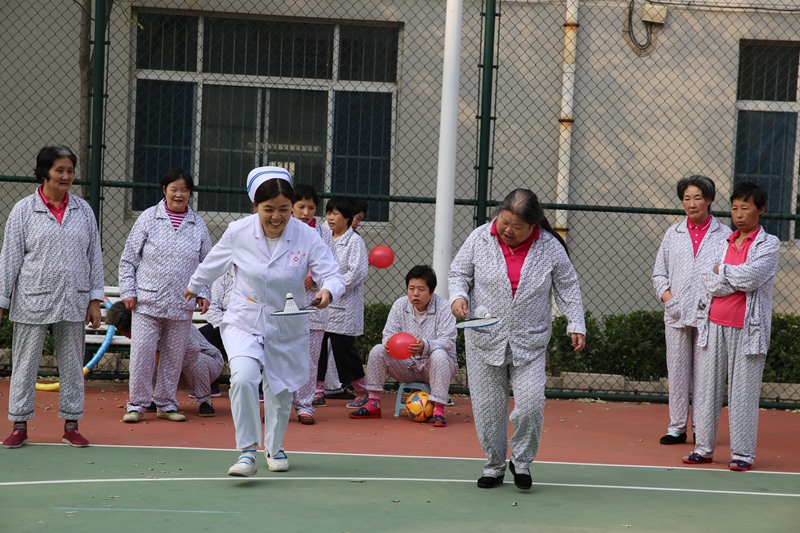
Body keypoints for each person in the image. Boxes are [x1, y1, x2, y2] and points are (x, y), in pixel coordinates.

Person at [184, 166, 344, 477]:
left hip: (287, 322)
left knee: (280, 390)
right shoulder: (238, 232)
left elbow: (332, 274)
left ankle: (275, 446)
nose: (277, 216)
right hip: (244, 318)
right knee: (243, 378)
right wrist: (193, 286)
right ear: (255, 205)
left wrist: (328, 290)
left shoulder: (307, 235)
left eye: (284, 208)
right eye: (268, 209)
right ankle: (246, 451)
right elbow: (213, 263)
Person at [449, 188, 586, 490]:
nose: (507, 230)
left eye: (517, 226)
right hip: (484, 338)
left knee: (531, 404)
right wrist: (458, 297)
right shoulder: (480, 237)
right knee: (488, 409)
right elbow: (459, 273)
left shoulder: (549, 247)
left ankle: (521, 461)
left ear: (533, 226)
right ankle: (494, 465)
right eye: (504, 222)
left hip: (530, 342)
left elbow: (567, 286)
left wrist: (576, 323)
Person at [0, 145, 104, 448]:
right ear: (44, 172)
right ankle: (19, 424)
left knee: (72, 364)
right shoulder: (23, 210)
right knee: (25, 363)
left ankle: (71, 424)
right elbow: (9, 258)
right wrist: (1, 300)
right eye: (60, 170)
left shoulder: (83, 211)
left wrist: (94, 300)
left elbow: (94, 257)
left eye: (70, 170)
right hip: (32, 299)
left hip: (73, 298)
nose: (67, 176)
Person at [683, 181, 779, 472]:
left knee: (743, 394)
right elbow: (707, 280)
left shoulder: (769, 244)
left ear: (760, 210)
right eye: (735, 208)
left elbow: (752, 278)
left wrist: (722, 271)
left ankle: (743, 454)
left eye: (745, 208)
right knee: (707, 390)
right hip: (713, 324)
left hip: (749, 331)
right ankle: (703, 448)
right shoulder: (721, 241)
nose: (738, 213)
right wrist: (731, 278)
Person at [119, 168, 212, 423]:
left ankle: (167, 404)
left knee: (173, 355)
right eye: (174, 189)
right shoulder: (148, 218)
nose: (179, 195)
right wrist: (128, 291)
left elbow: (207, 264)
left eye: (184, 190)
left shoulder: (198, 224)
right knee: (143, 353)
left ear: (190, 193)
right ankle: (137, 404)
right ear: (164, 190)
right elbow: (129, 259)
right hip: (147, 301)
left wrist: (203, 292)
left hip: (182, 302)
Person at [652, 175, 731, 445]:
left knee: (705, 376)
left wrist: (712, 299)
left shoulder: (724, 235)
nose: (692, 204)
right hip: (676, 313)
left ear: (709, 200)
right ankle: (676, 427)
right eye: (687, 198)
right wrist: (669, 299)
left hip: (710, 315)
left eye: (697, 198)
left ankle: (701, 427)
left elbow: (726, 275)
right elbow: (659, 274)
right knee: (677, 371)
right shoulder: (672, 234)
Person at [348, 265, 457, 425]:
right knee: (378, 350)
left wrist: (425, 345)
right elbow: (388, 333)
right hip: (406, 365)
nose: (415, 293)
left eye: (421, 289)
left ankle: (439, 410)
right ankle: (373, 403)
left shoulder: (444, 307)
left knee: (439, 354)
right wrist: (389, 344)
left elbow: (448, 341)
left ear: (432, 291)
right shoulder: (400, 305)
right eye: (411, 288)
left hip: (434, 365)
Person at [105, 301, 223, 417]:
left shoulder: (173, 322)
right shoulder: (143, 330)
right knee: (145, 360)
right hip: (176, 373)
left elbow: (193, 350)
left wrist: (164, 357)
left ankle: (205, 402)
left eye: (124, 330)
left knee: (196, 362)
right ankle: (153, 400)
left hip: (204, 360)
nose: (124, 335)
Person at [291, 183, 335, 424]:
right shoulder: (283, 229)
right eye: (301, 207)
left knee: (309, 358)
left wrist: (314, 278)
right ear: (291, 207)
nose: (306, 212)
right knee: (282, 355)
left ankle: (305, 404)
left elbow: (331, 266)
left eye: (310, 207)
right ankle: (279, 402)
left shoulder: (324, 233)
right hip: (285, 303)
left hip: (315, 304)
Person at [317, 197, 369, 397]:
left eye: (336, 214)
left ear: (347, 218)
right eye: (328, 213)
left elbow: (357, 273)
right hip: (322, 304)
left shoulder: (354, 242)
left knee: (344, 351)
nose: (330, 217)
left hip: (343, 307)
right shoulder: (322, 237)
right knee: (318, 349)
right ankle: (317, 391)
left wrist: (331, 288)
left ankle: (363, 391)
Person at [198, 269, 234, 398]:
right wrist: (226, 327)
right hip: (224, 324)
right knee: (201, 337)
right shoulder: (224, 276)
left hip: (250, 325)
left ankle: (259, 388)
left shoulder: (259, 273)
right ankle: (210, 386)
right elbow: (213, 307)